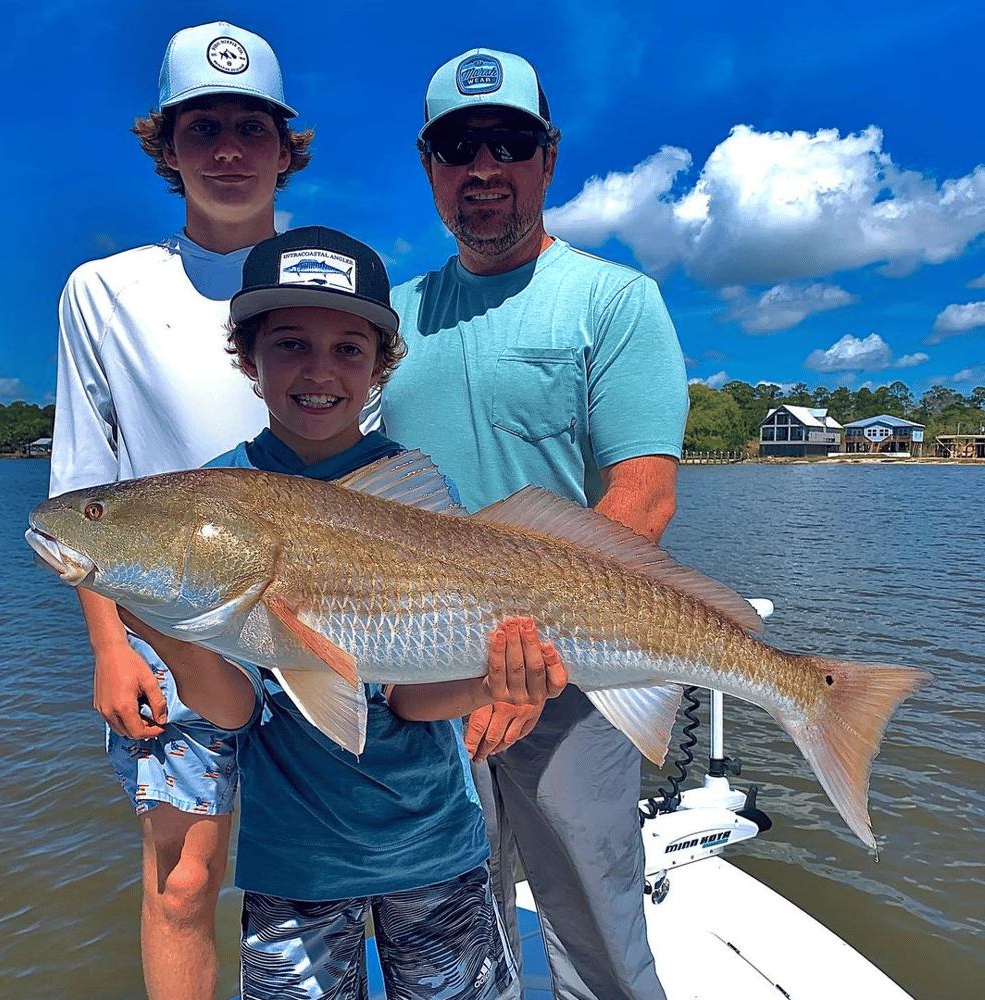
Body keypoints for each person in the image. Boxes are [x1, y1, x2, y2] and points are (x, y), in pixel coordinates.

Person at [121, 224, 568, 1000]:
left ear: (381, 367)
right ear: (246, 359)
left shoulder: (414, 485)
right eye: (290, 343)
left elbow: (412, 697)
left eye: (349, 350)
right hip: (294, 861)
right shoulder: (214, 494)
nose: (320, 371)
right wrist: (177, 639)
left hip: (434, 843)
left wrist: (498, 685)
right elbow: (232, 712)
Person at [378, 48, 689, 1000]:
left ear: (548, 159)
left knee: (595, 921)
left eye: (509, 142)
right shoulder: (388, 319)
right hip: (422, 675)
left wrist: (528, 654)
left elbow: (642, 498)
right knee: (446, 934)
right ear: (429, 165)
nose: (483, 167)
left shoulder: (615, 301)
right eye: (456, 145)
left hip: (577, 676)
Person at [49, 22, 313, 1000]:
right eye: (203, 128)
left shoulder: (335, 280)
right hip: (167, 632)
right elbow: (82, 484)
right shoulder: (102, 291)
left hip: (317, 619)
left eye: (254, 126)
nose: (231, 149)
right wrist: (109, 647)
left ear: (288, 146)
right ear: (165, 146)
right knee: (183, 881)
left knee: (323, 879)